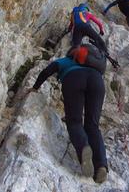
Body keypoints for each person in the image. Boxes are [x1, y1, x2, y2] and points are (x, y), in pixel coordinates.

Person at [26, 46, 108, 184]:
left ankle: (83, 148)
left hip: (73, 78)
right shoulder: (94, 66)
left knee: (75, 122)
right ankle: (101, 166)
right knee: (93, 126)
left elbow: (46, 71)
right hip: (97, 80)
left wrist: (35, 88)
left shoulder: (65, 61)